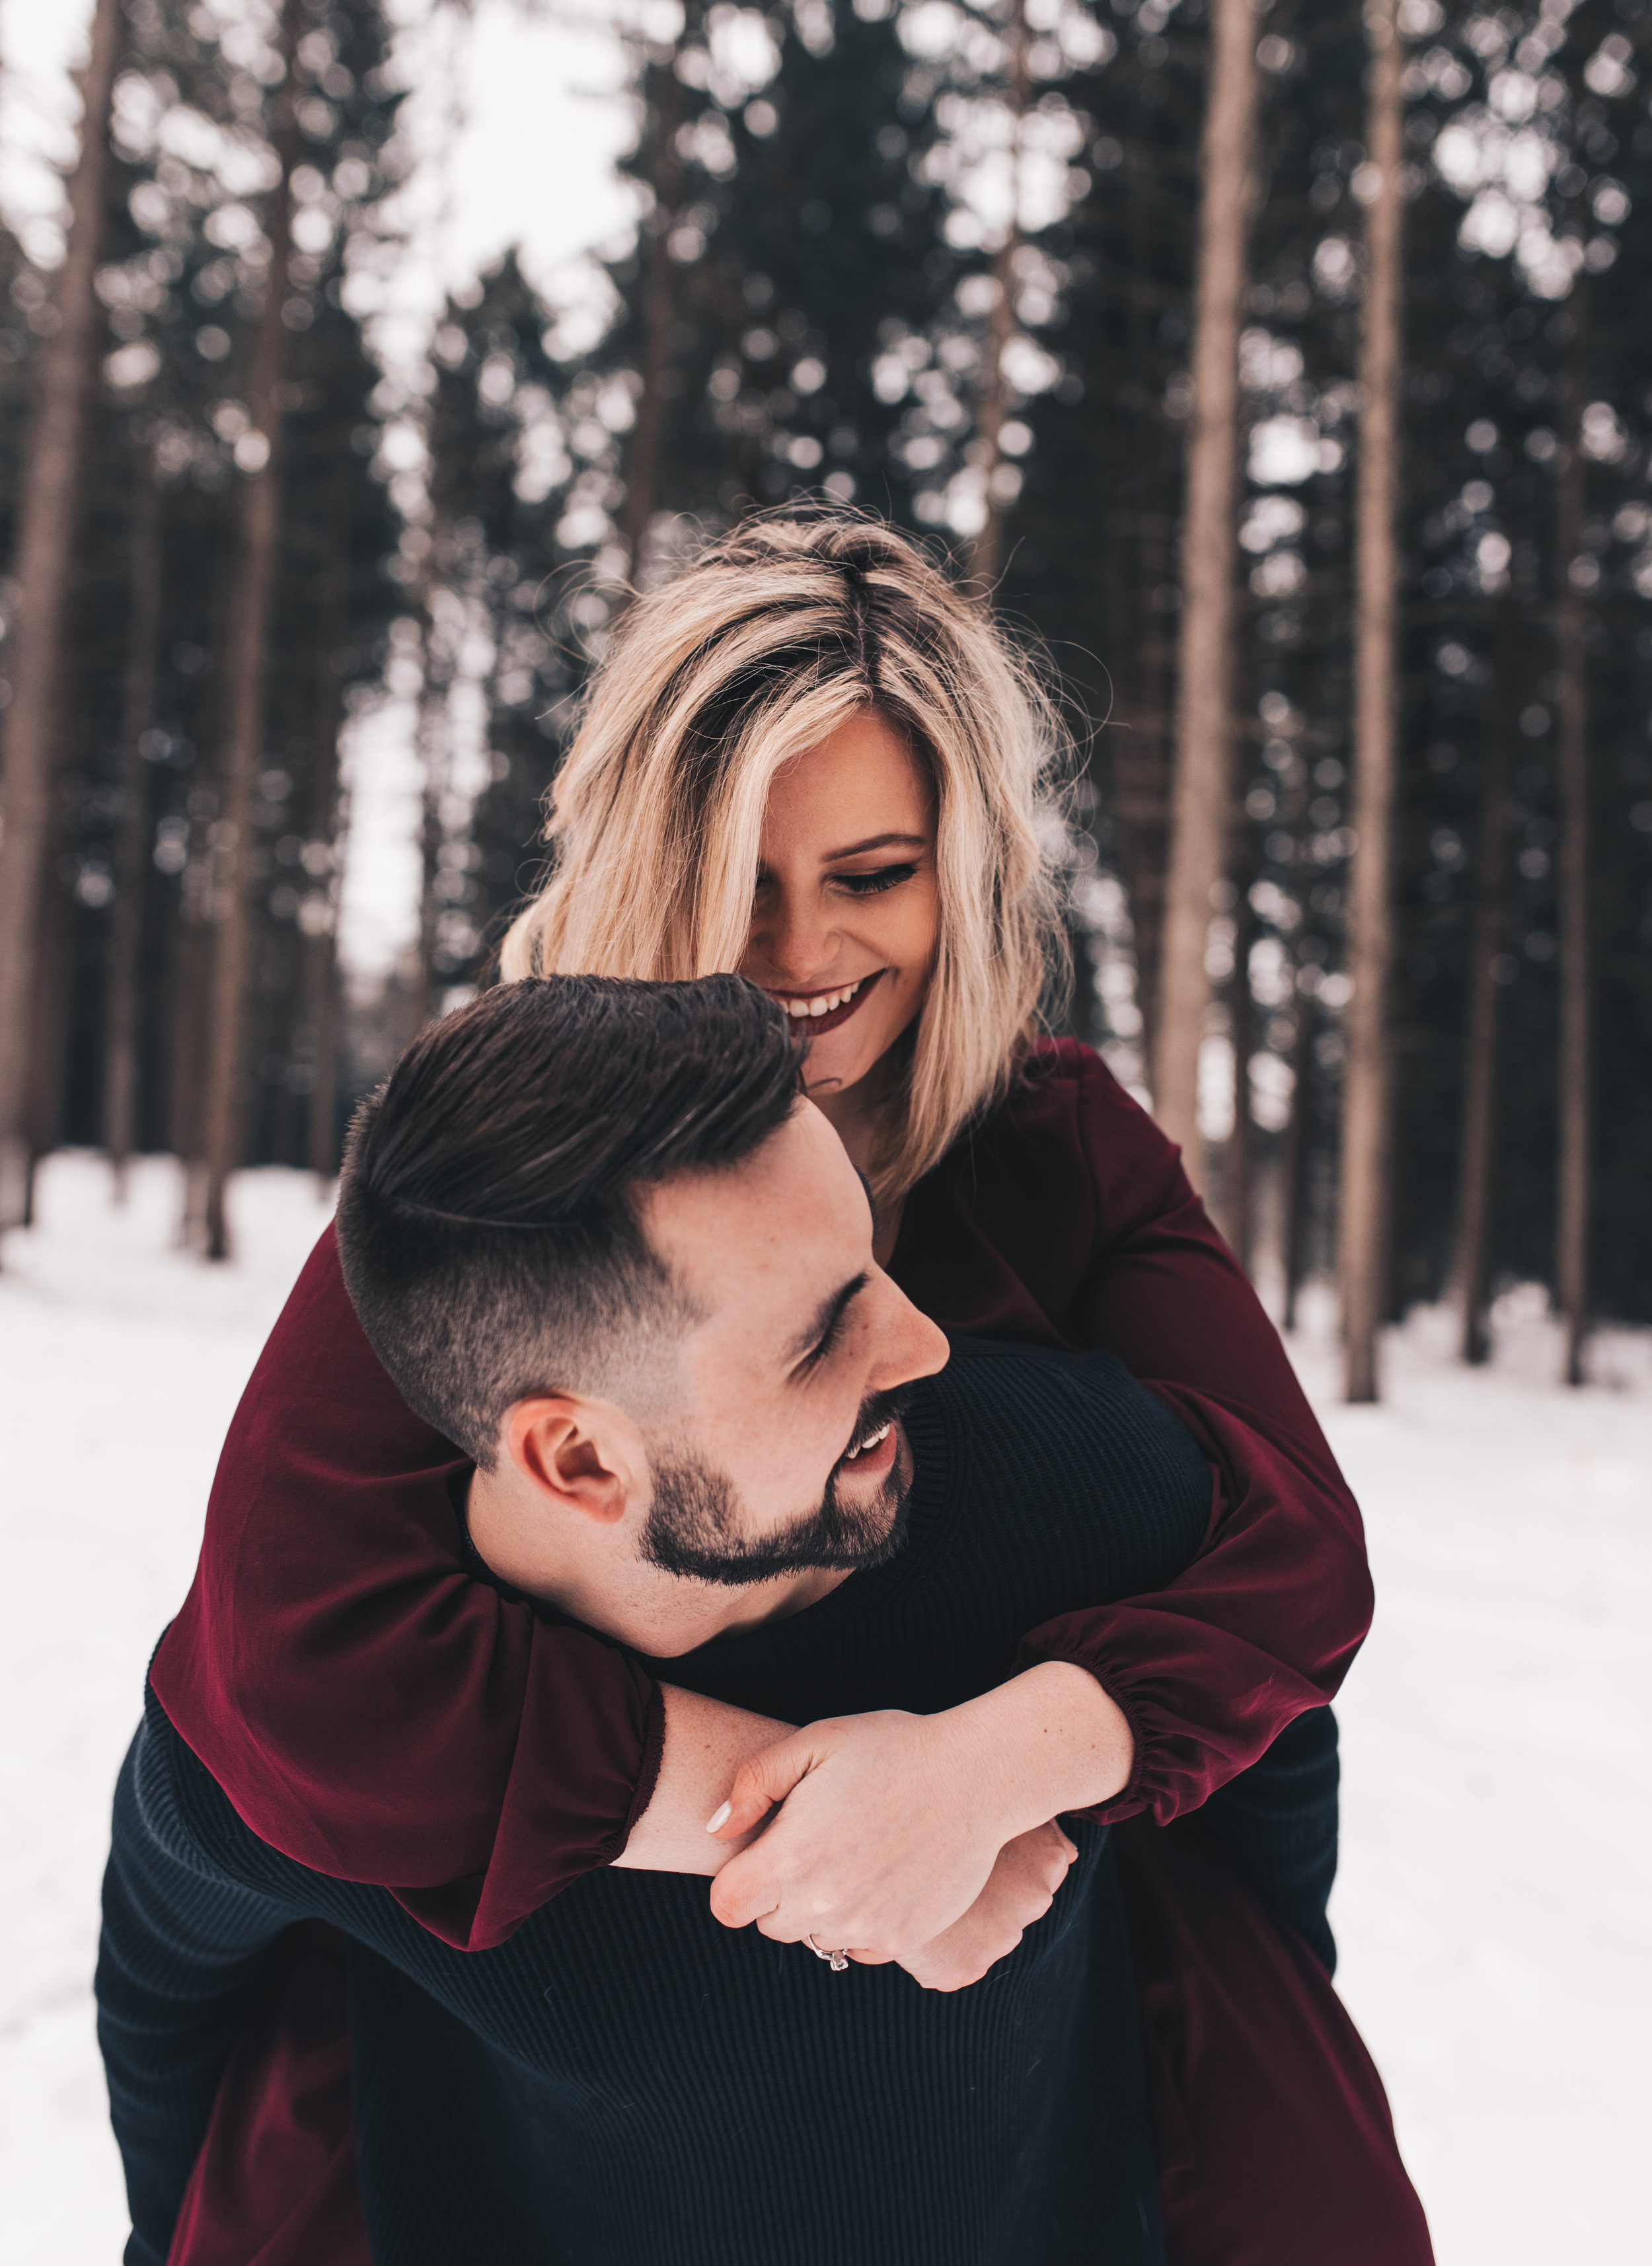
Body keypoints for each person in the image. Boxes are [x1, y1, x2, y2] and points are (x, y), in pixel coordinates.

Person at [148, 514, 1427, 2262]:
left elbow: (1292, 1553)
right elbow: (293, 1653)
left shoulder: (1048, 1146)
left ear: (957, 872)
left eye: (870, 872)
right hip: (537, 2077)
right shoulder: (512, 1175)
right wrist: (823, 1830)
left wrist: (981, 1775)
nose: (797, 947)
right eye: (742, 870)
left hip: (1017, 2087)